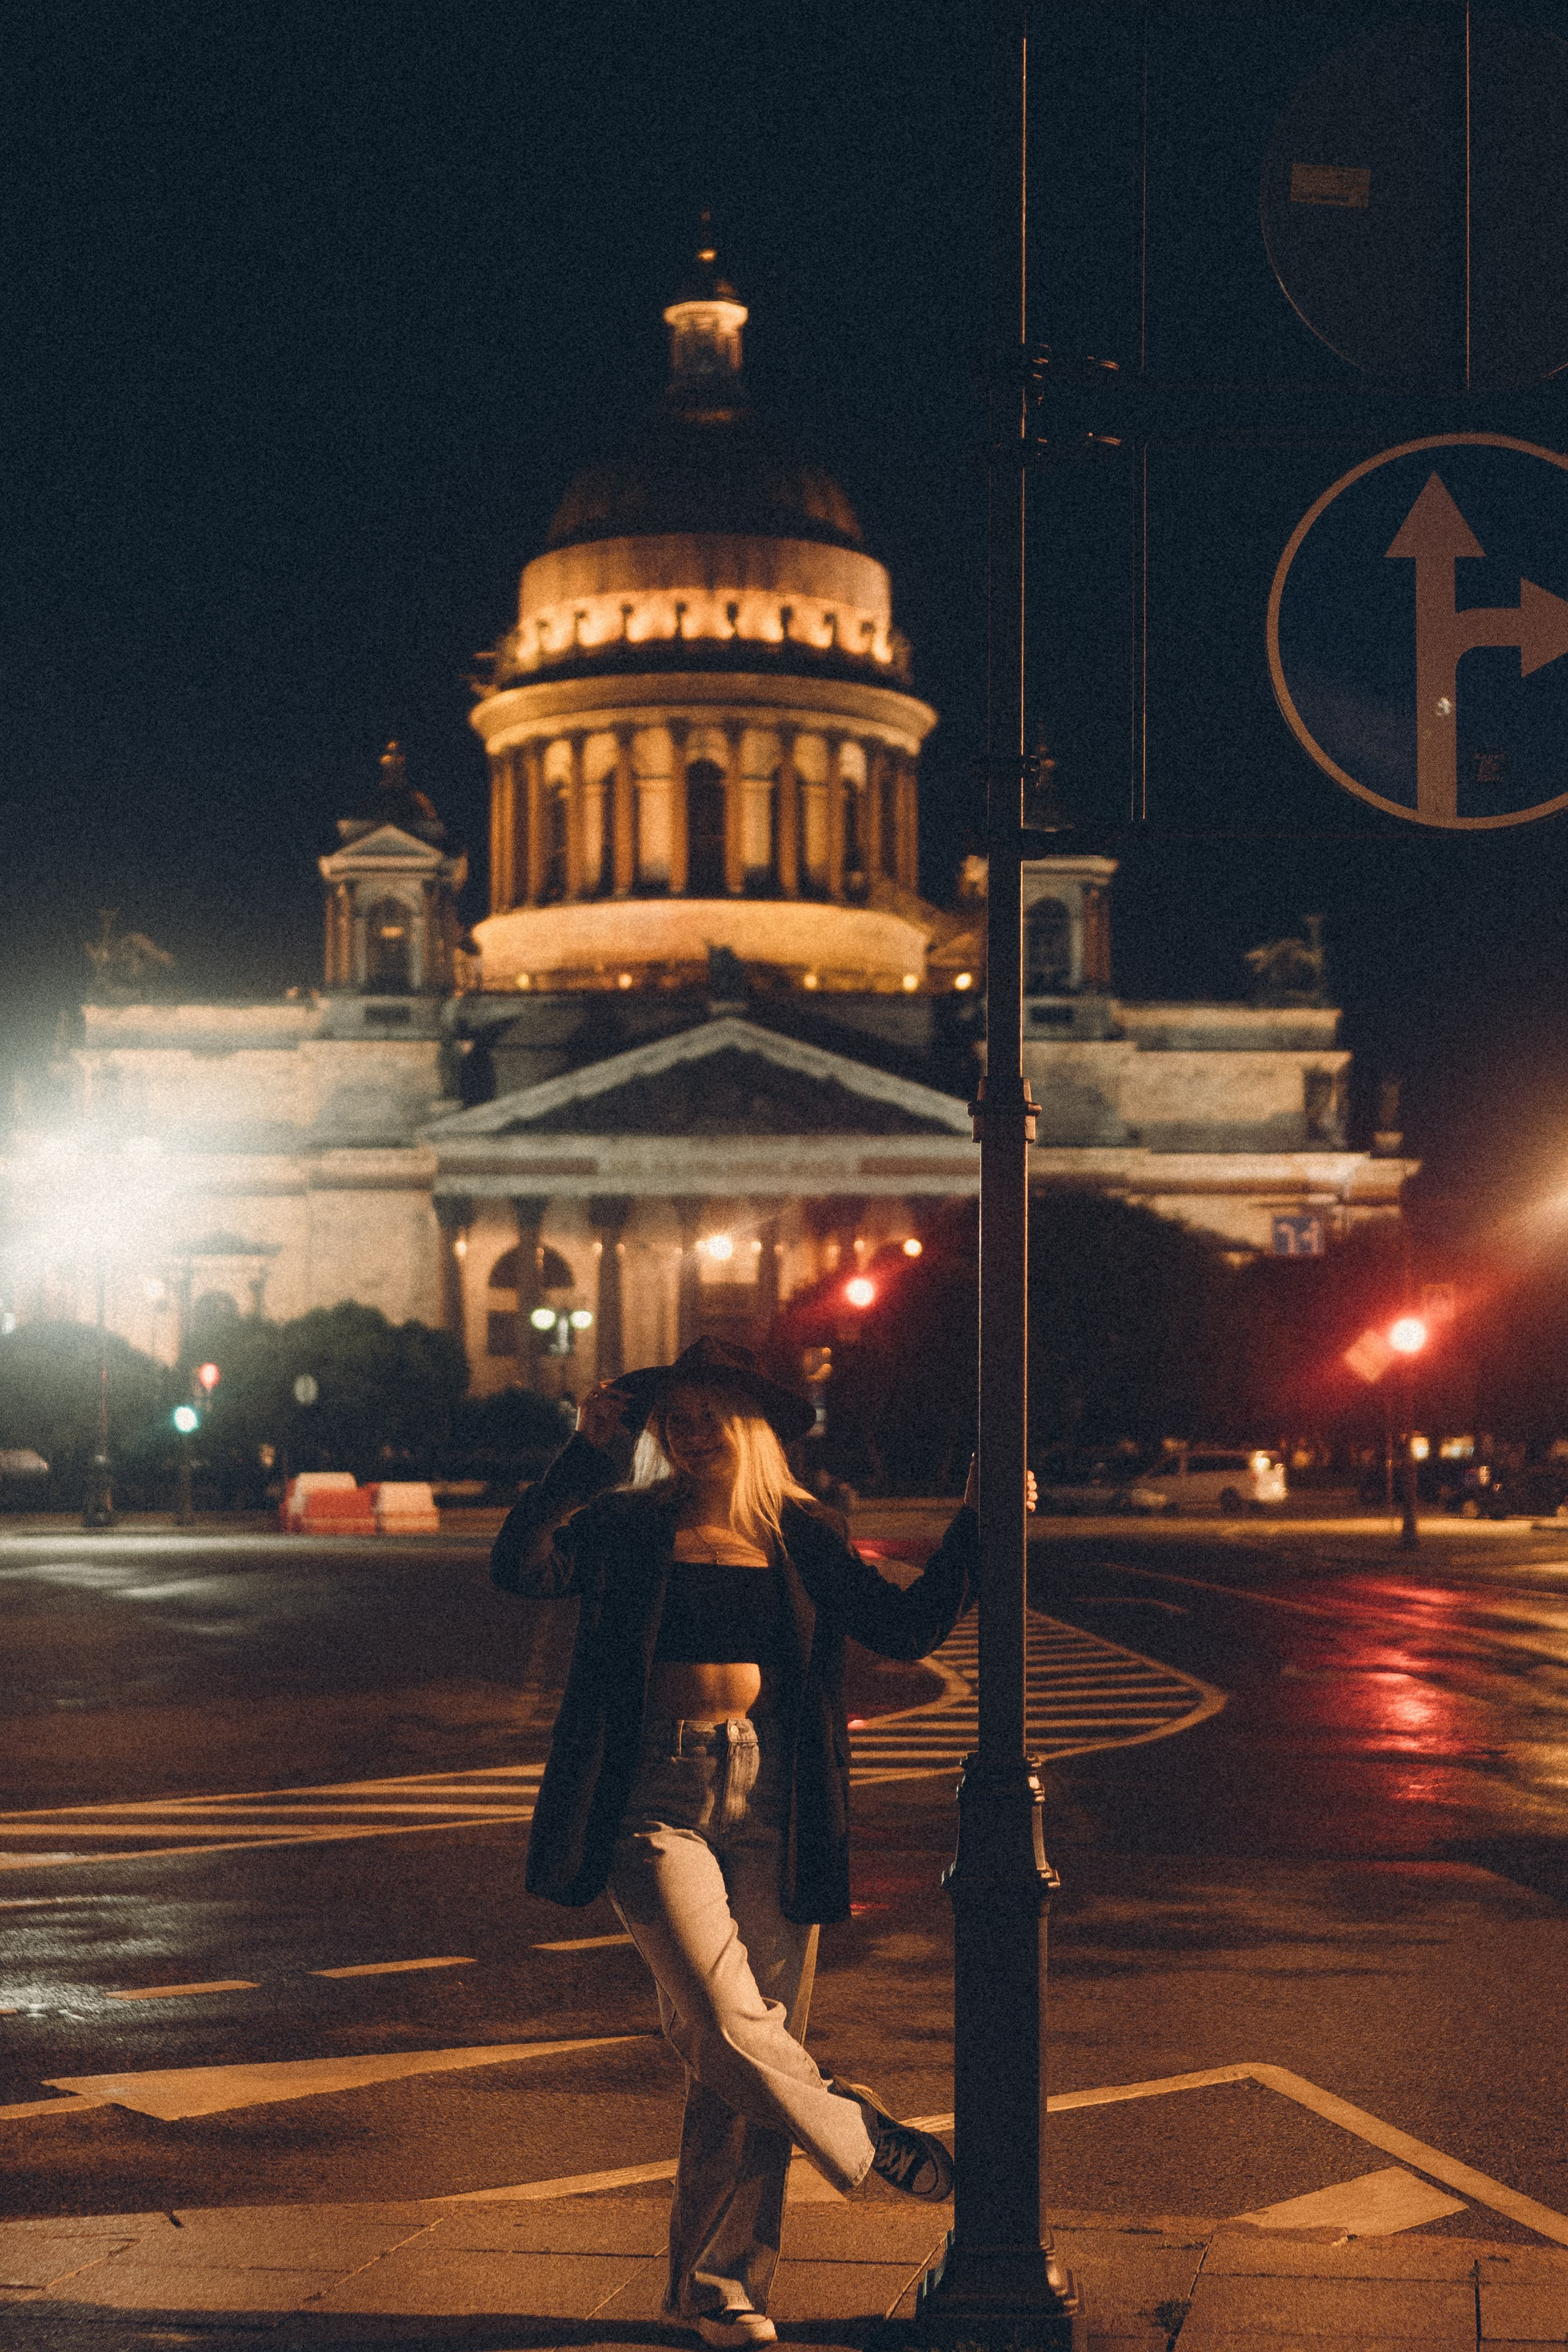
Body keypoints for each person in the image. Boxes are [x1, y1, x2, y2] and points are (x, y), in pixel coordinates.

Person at [491, 1336, 988, 2349]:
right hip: (651, 1798)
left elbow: (907, 1631)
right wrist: (584, 1455)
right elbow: (521, 1565)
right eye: (677, 1412)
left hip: (773, 1801)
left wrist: (977, 1527)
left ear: (755, 1424)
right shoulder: (628, 1523)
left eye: (713, 1409)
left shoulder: (804, 1532)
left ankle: (717, 2285)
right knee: (725, 2023)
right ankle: (864, 2135)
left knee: (742, 2045)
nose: (692, 1427)